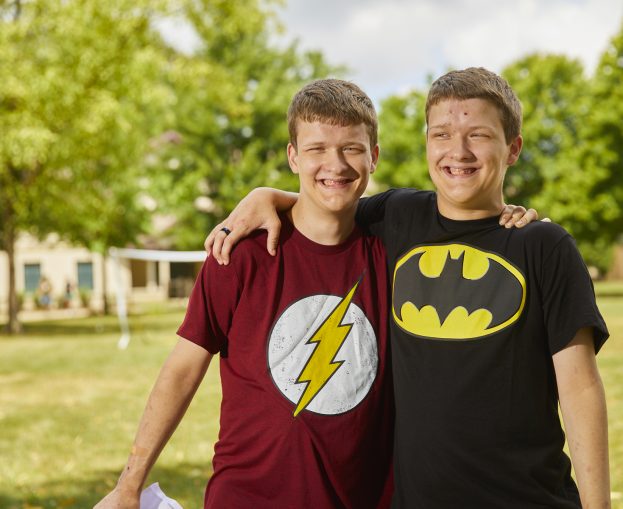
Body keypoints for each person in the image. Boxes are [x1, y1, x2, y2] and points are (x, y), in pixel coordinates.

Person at [205, 68, 610, 508]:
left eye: (478, 135)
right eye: (442, 134)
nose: (459, 151)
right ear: (426, 143)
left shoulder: (545, 246)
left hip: (526, 497)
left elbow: (580, 390)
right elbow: (328, 196)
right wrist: (265, 195)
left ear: (513, 149)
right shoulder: (398, 217)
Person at [96, 79, 396, 509]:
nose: (336, 163)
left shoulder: (394, 256)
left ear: (374, 157)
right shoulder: (239, 255)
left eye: (351, 148)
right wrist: (129, 485)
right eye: (316, 149)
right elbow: (181, 370)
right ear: (293, 157)